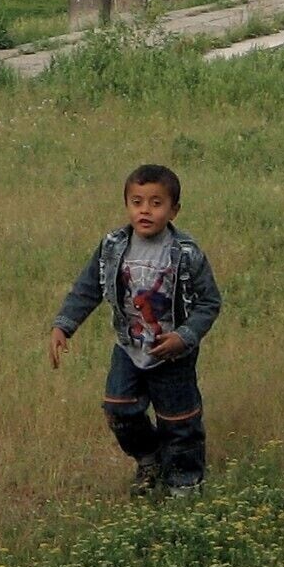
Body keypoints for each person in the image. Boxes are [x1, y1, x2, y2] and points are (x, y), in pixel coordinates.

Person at [49, 163, 223, 498]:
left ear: (174, 210)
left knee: (179, 422)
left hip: (172, 354)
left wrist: (184, 337)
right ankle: (150, 459)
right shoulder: (113, 246)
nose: (145, 210)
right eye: (137, 201)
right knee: (118, 407)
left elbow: (209, 302)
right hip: (129, 348)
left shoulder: (186, 253)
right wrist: (63, 326)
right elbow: (88, 288)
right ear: (127, 205)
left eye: (156, 203)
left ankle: (185, 486)